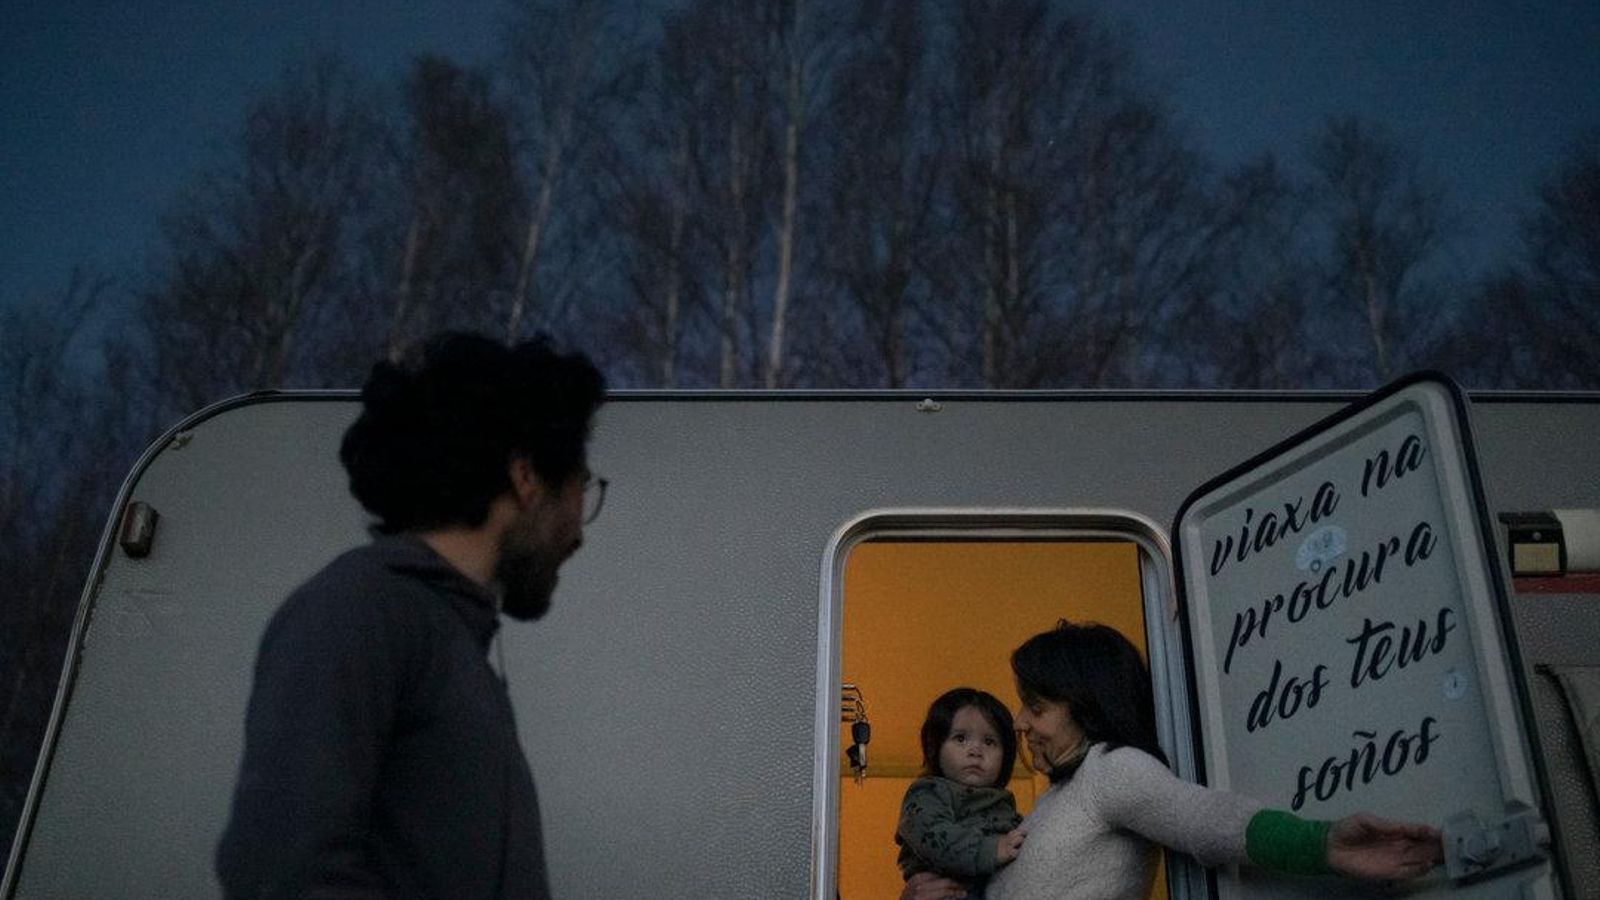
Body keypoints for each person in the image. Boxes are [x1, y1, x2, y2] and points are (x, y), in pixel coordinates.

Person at [216, 332, 606, 899]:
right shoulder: (361, 608)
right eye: (581, 489)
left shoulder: (453, 644)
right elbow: (282, 873)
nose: (578, 533)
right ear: (526, 477)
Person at [902, 621, 1443, 900]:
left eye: (1036, 706)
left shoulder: (1113, 770)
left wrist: (1320, 843)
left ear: (1085, 705)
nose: (1019, 722)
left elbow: (1208, 819)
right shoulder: (1054, 798)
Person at [896, 688, 1028, 897]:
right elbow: (932, 836)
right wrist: (992, 849)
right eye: (960, 739)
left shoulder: (1002, 801)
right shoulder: (928, 793)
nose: (975, 751)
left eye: (989, 742)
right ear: (935, 747)